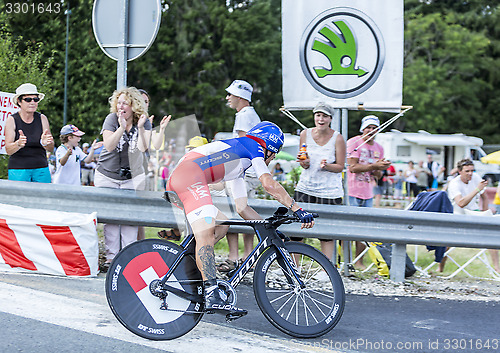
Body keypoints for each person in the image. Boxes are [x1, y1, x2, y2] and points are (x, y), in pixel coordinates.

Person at [166, 121, 315, 316]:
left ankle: (190, 267)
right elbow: (268, 183)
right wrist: (297, 209)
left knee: (221, 226)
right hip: (189, 176)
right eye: (274, 154)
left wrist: (267, 228)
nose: (271, 160)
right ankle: (212, 293)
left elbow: (242, 208)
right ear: (270, 149)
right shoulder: (253, 146)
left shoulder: (237, 163)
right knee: (206, 230)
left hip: (186, 177)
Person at [94, 87, 152, 272]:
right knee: (112, 219)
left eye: (125, 103)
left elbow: (143, 148)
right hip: (107, 174)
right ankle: (111, 258)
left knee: (129, 218)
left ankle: (127, 256)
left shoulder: (143, 122)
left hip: (131, 176)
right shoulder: (111, 119)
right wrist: (120, 126)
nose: (121, 106)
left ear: (134, 105)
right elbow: (110, 145)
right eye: (118, 102)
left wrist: (141, 128)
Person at [292, 102, 345, 261]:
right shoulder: (305, 134)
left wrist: (328, 166)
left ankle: (326, 267)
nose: (321, 119)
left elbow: (340, 166)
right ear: (314, 117)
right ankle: (295, 267)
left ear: (330, 119)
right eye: (318, 115)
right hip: (305, 187)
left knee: (326, 233)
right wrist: (304, 162)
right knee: (296, 229)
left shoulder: (338, 137)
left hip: (329, 191)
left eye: (325, 116)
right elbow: (303, 160)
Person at [221, 79, 261, 269]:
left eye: (230, 94)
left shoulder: (244, 115)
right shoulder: (251, 114)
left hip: (244, 172)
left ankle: (235, 257)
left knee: (233, 210)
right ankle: (247, 256)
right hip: (252, 173)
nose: (227, 97)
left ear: (240, 97)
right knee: (247, 212)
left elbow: (243, 145)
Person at [346, 115, 391, 269]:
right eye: (368, 127)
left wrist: (381, 168)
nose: (371, 131)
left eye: (374, 128)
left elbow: (377, 175)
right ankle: (346, 260)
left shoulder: (379, 148)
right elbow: (352, 167)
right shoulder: (354, 142)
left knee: (364, 229)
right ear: (362, 129)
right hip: (351, 190)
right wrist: (375, 166)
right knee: (348, 228)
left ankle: (359, 261)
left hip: (368, 191)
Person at [446, 158, 499, 272]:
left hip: (474, 211)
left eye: (472, 170)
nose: (470, 173)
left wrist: (485, 213)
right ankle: (440, 266)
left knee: (491, 235)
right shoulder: (454, 184)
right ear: (460, 171)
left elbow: (484, 197)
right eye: (467, 171)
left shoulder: (475, 177)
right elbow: (461, 203)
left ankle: (497, 268)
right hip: (458, 214)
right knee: (447, 243)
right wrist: (476, 189)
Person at [4, 83, 54, 183]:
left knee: (45, 197)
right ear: (19, 101)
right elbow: (8, 150)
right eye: (28, 99)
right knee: (19, 198)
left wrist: (45, 143)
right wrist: (18, 144)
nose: (32, 102)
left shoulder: (42, 118)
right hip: (18, 170)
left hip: (41, 169)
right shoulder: (12, 120)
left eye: (35, 99)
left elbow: (51, 148)